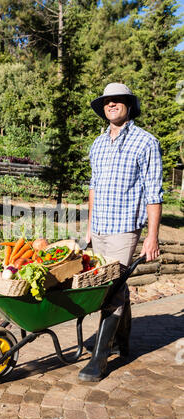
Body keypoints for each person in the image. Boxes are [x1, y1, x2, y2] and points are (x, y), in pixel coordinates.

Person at [78, 83, 163, 382]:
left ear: (128, 105)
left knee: (111, 288)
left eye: (118, 100)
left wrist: (151, 237)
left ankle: (100, 358)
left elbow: (154, 192)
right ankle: (123, 340)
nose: (111, 104)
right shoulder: (97, 144)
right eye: (107, 101)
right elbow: (93, 187)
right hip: (99, 226)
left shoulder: (146, 142)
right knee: (113, 285)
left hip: (125, 228)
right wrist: (88, 227)